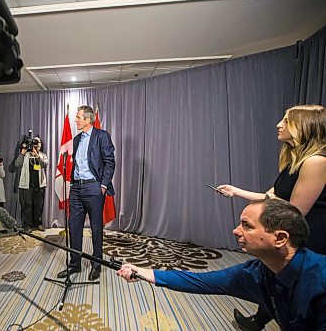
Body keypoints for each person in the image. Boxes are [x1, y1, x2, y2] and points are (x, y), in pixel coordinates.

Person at [118, 199, 326, 330]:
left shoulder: (321, 280)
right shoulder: (255, 272)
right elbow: (201, 281)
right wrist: (143, 272)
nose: (236, 231)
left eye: (247, 226)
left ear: (280, 238)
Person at [217, 104, 326, 330]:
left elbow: (294, 211)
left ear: (304, 127)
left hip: (310, 236)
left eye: (286, 120)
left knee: (295, 287)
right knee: (275, 277)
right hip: (290, 231)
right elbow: (272, 197)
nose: (279, 124)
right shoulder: (295, 160)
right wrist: (235, 191)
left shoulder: (316, 162)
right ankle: (259, 320)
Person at [57, 105, 116, 281]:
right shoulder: (76, 139)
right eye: (75, 117)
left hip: (94, 187)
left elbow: (110, 162)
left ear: (88, 119)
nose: (76, 120)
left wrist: (103, 185)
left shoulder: (101, 136)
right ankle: (75, 264)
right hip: (76, 188)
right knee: (74, 227)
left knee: (96, 227)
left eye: (78, 117)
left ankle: (96, 265)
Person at [14, 136, 49, 233]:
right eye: (35, 143)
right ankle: (27, 225)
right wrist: (22, 152)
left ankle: (37, 224)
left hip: (39, 185)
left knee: (39, 205)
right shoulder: (25, 155)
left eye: (39, 143)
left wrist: (37, 156)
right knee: (27, 206)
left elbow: (45, 164)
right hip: (27, 186)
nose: (37, 145)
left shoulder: (42, 155)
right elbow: (17, 164)